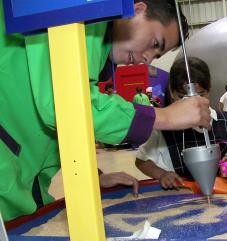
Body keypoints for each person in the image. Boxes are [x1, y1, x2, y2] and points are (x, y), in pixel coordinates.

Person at [0, 0, 212, 222]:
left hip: (23, 179)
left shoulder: (97, 52)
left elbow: (62, 131)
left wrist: (94, 176)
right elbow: (63, 103)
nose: (148, 58)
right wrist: (166, 116)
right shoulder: (83, 14)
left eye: (157, 56)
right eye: (155, 43)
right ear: (137, 10)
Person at [135, 57, 227, 189]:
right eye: (183, 97)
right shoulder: (162, 126)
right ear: (172, 92)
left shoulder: (224, 122)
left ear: (208, 90)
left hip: (216, 193)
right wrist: (162, 174)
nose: (191, 103)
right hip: (178, 194)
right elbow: (141, 161)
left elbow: (226, 158)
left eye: (199, 94)